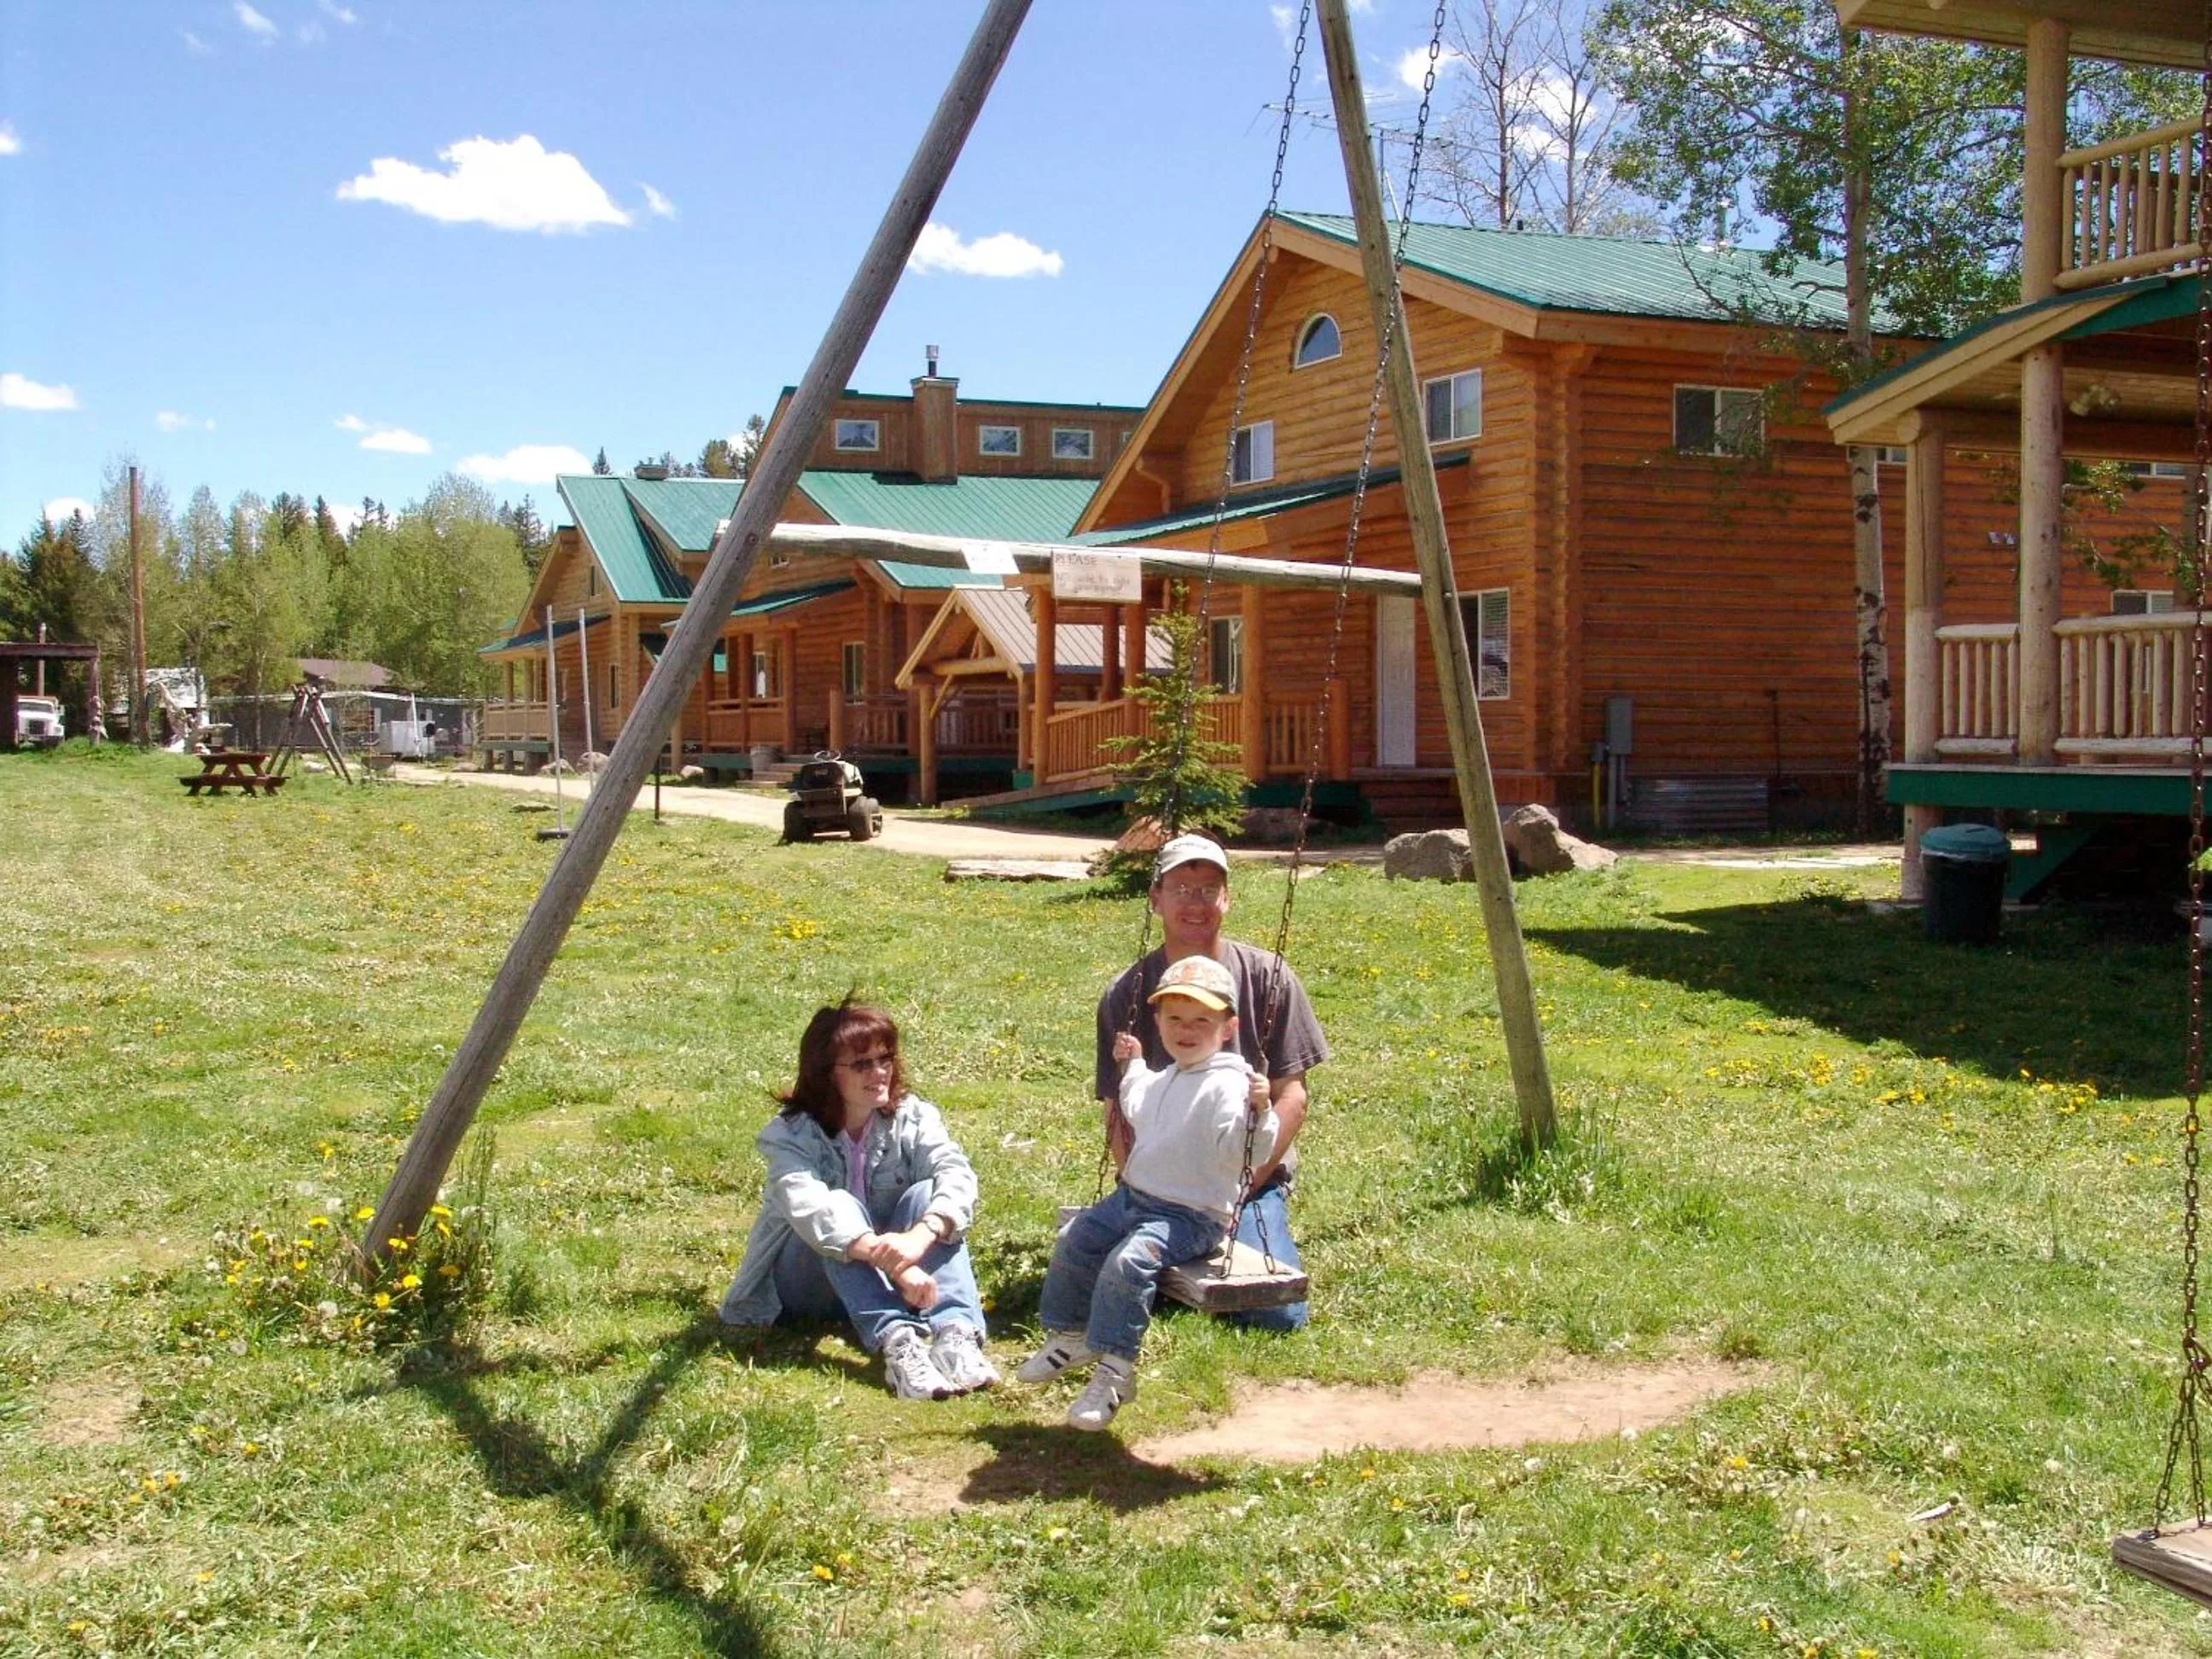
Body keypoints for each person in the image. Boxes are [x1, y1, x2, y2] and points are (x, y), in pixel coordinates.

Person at [1019, 954, 1277, 1429]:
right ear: (1158, 1022)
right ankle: (1071, 1336)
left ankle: (1116, 1370)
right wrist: (1134, 1061)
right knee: (1076, 1237)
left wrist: (1258, 1113)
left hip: (1191, 1215)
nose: (1186, 1030)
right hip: (1133, 1199)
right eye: (1174, 1018)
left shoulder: (1230, 1084)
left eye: (1201, 1021)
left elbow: (1242, 1152)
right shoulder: (1169, 1075)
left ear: (1228, 1028)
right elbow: (1137, 1100)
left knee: (1129, 1262)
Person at [1094, 832, 1330, 1331]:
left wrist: (1243, 1187)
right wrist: (1138, 1188)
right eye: (1181, 889)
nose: (1195, 904)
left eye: (1208, 890)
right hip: (1157, 1187)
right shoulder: (1126, 991)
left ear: (1227, 899)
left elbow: (1291, 1095)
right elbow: (1117, 1106)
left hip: (1245, 1184)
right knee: (1097, 1274)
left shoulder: (1269, 977)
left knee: (1276, 1314)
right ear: (1156, 899)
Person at [718, 998, 998, 1400]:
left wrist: (921, 1235)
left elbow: (956, 1173)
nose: (879, 1072)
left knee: (929, 1195)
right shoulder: (788, 1136)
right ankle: (899, 1343)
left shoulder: (914, 1117)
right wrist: (898, 1265)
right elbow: (812, 1211)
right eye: (862, 1064)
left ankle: (955, 1336)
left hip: (892, 1278)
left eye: (885, 1058)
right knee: (838, 1206)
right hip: (808, 1285)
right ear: (825, 1073)